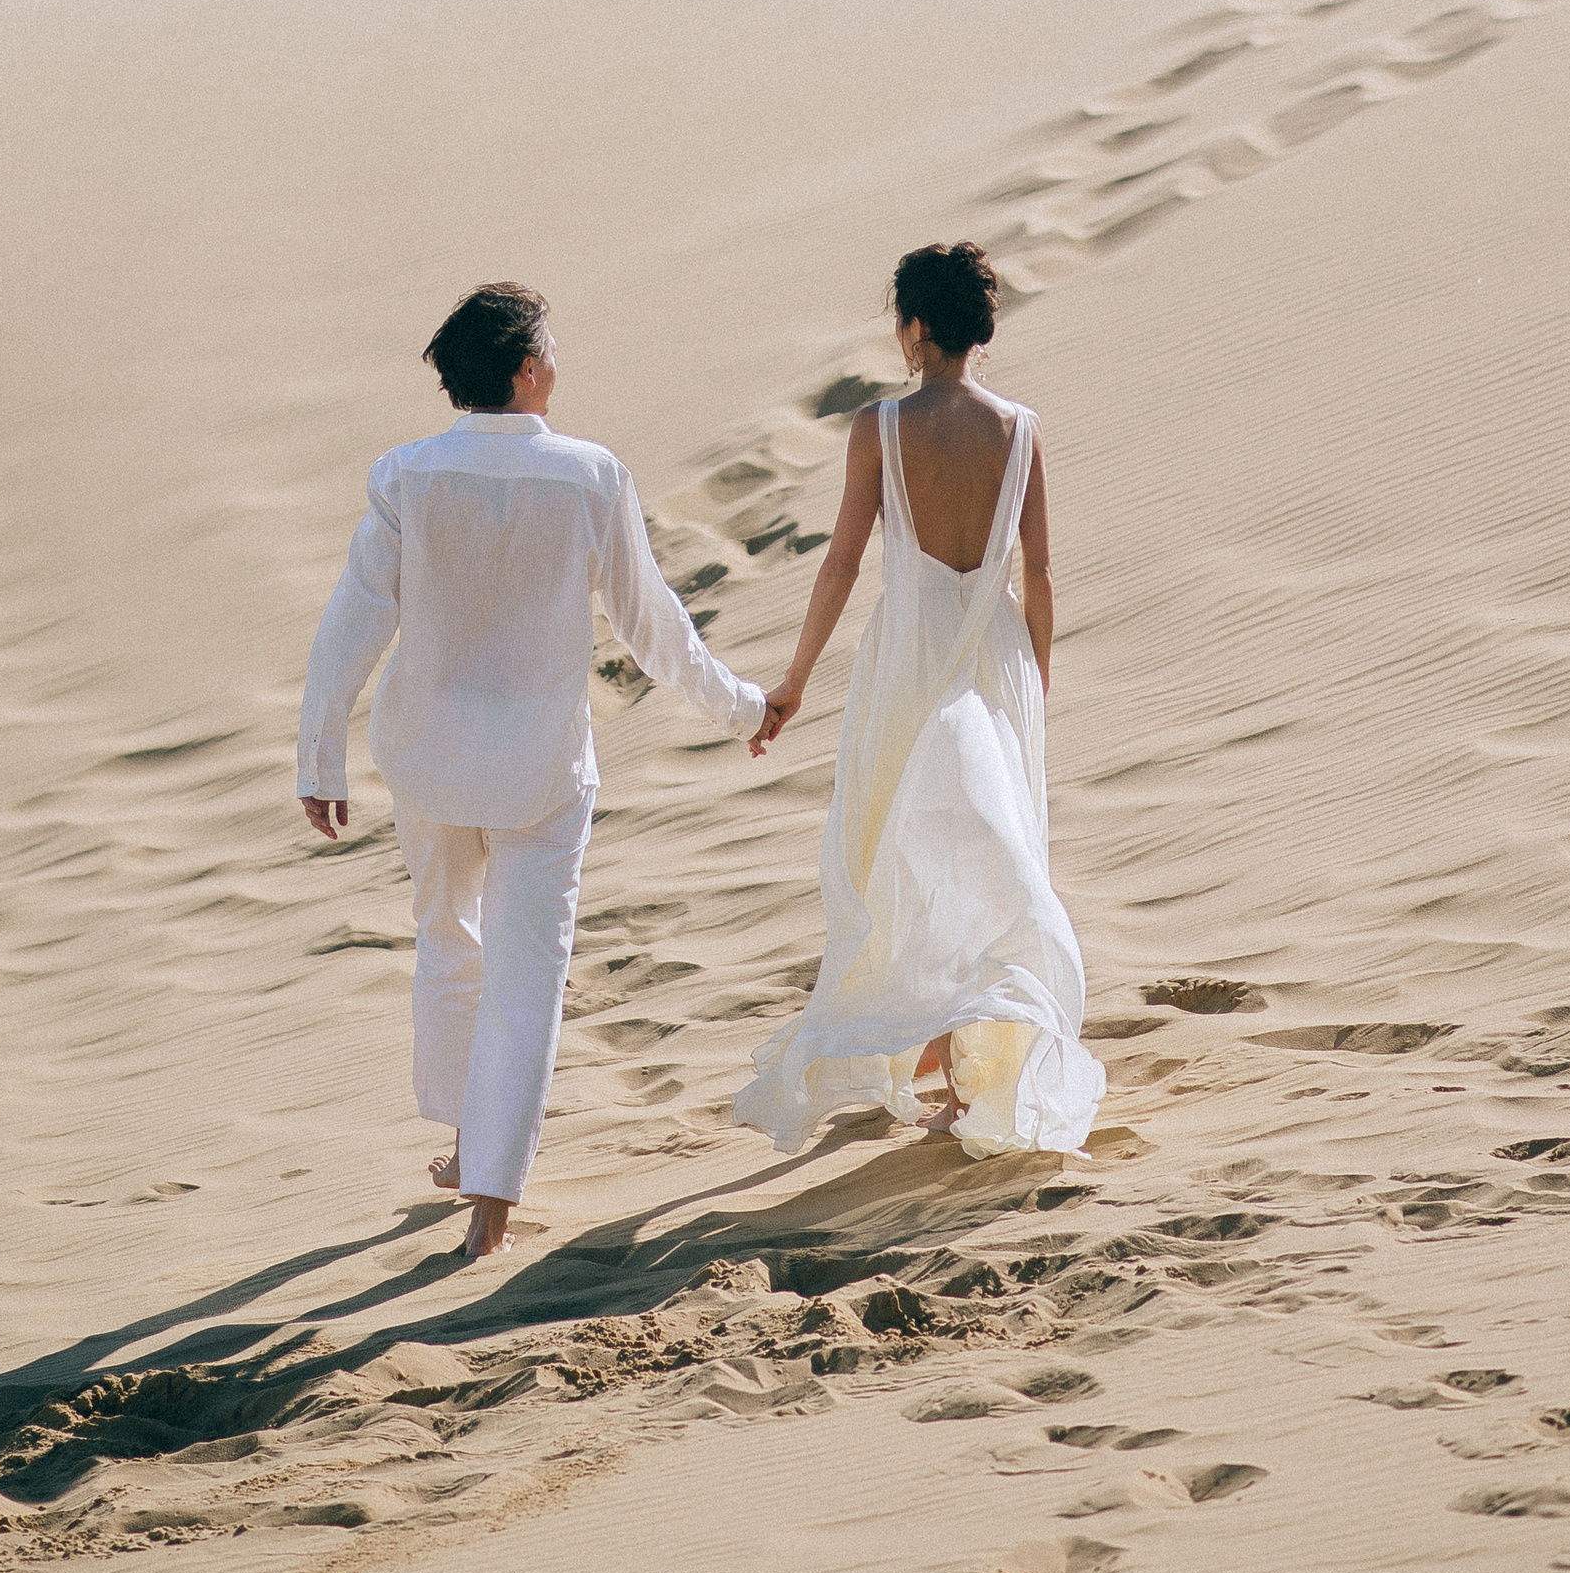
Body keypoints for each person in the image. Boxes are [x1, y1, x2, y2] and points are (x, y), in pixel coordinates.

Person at [299, 282, 766, 1260]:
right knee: (525, 973)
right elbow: (650, 627)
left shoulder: (406, 476)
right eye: (548, 350)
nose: (557, 363)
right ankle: (490, 1201)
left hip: (427, 758)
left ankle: (473, 1146)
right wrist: (742, 707)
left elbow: (352, 622)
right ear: (523, 370)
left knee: (447, 943)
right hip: (541, 769)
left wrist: (319, 752)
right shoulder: (588, 475)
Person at [733, 241, 1105, 1162]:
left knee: (895, 842)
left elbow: (844, 563)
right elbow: (1042, 571)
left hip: (908, 655)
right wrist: (1038, 680)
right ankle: (968, 1061)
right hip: (996, 653)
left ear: (916, 327)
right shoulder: (1021, 429)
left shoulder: (879, 428)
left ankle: (944, 1056)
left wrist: (795, 679)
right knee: (992, 845)